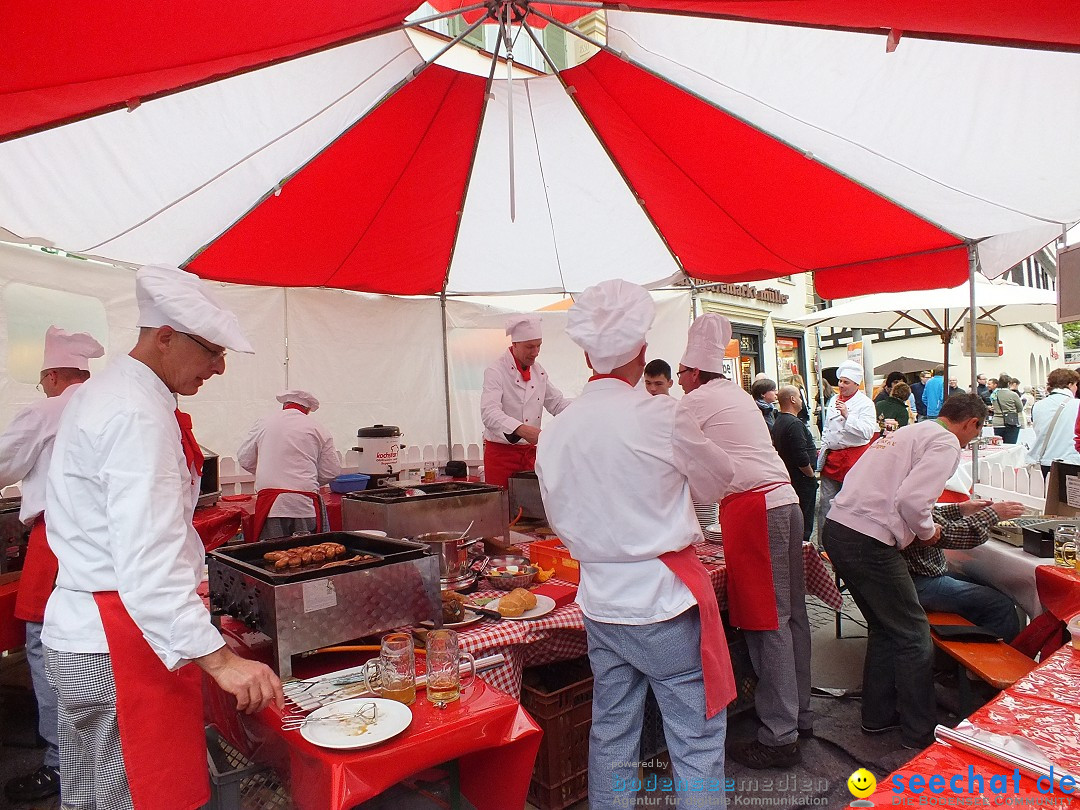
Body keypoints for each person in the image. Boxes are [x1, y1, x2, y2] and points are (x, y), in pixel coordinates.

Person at [43, 265, 283, 810]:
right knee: (137, 797)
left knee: (91, 795)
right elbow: (147, 557)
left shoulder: (115, 393)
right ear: (165, 337)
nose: (220, 367)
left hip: (96, 629)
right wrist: (222, 662)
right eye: (211, 352)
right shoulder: (134, 413)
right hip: (116, 637)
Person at [535, 280, 736, 809]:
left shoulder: (556, 429)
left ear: (585, 355)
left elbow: (556, 517)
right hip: (662, 600)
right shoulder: (661, 414)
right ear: (642, 351)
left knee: (612, 732)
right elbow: (719, 481)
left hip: (601, 601)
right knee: (694, 739)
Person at [678, 314, 811, 769]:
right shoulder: (734, 395)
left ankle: (779, 735)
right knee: (792, 618)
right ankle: (800, 712)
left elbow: (665, 454)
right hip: (785, 503)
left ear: (694, 373)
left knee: (766, 621)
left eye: (679, 374)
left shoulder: (696, 402)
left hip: (756, 510)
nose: (678, 383)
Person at [822, 394, 987, 751]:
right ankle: (920, 732)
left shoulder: (912, 432)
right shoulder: (946, 442)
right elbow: (911, 502)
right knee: (913, 633)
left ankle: (877, 717)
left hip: (839, 529)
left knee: (886, 627)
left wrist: (945, 511)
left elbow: (897, 493)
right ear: (972, 423)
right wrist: (931, 533)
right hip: (867, 539)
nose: (970, 440)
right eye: (974, 433)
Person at [0, 327, 104, 804]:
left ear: (51, 374)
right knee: (97, 646)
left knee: (47, 649)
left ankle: (59, 765)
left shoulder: (47, 409)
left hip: (57, 542)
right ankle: (100, 755)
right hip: (105, 541)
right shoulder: (109, 403)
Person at [903, 499, 1025, 642]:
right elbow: (953, 536)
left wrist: (960, 509)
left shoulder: (899, 490)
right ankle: (997, 662)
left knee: (989, 588)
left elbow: (928, 516)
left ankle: (958, 654)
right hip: (916, 582)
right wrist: (992, 514)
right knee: (1000, 606)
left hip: (912, 577)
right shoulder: (909, 495)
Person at [237, 389, 341, 541]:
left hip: (272, 506)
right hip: (304, 503)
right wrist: (304, 479)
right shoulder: (318, 428)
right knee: (308, 553)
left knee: (273, 553)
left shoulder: (264, 422)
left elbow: (245, 458)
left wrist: (269, 472)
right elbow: (332, 470)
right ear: (307, 410)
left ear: (285, 406)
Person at [481, 314, 571, 487]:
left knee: (530, 508)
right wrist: (521, 430)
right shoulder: (496, 371)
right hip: (501, 456)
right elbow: (489, 413)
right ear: (514, 344)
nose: (536, 352)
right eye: (530, 347)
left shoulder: (539, 372)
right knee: (505, 510)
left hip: (530, 455)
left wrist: (586, 406)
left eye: (539, 346)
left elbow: (557, 404)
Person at [816, 360, 876, 540]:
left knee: (851, 504)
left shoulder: (865, 404)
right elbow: (828, 427)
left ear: (856, 384)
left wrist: (848, 416)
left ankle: (849, 541)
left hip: (854, 460)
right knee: (825, 504)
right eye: (840, 381)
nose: (841, 385)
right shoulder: (834, 399)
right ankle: (823, 543)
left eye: (846, 382)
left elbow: (868, 432)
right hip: (832, 458)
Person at [771, 385, 818, 544]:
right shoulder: (794, 424)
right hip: (801, 480)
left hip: (791, 477)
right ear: (792, 399)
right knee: (804, 524)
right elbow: (801, 457)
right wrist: (811, 475)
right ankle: (803, 555)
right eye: (799, 397)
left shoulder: (779, 421)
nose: (801, 400)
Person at [1027, 368, 1080, 478]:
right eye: (1075, 385)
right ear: (1070, 384)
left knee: (1050, 494)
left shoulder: (1038, 405)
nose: (1076, 388)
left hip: (1045, 459)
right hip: (1071, 459)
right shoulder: (1076, 404)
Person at [992, 374, 1024, 444]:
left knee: (999, 446)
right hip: (1011, 421)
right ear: (1009, 383)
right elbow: (1020, 408)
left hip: (997, 422)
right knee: (1010, 446)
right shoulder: (1013, 394)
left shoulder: (994, 394)